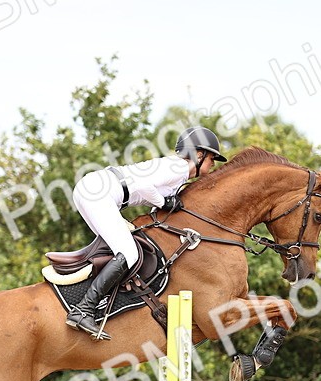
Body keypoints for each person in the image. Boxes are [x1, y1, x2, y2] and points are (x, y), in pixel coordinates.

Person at [65, 125, 227, 339]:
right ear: (198, 154)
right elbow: (143, 185)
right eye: (211, 158)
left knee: (117, 250)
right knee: (129, 253)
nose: (212, 164)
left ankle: (95, 302)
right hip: (98, 193)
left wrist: (164, 205)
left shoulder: (178, 176)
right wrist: (164, 202)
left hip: (94, 191)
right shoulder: (178, 167)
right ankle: (84, 309)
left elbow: (156, 208)